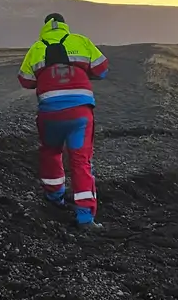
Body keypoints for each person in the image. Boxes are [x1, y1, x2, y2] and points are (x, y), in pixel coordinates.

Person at [17, 12, 109, 229]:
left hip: (49, 114)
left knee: (51, 153)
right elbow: (102, 69)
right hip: (80, 115)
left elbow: (25, 80)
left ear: (45, 27)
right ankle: (85, 217)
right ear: (65, 26)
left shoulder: (36, 48)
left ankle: (54, 197)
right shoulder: (81, 41)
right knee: (81, 161)